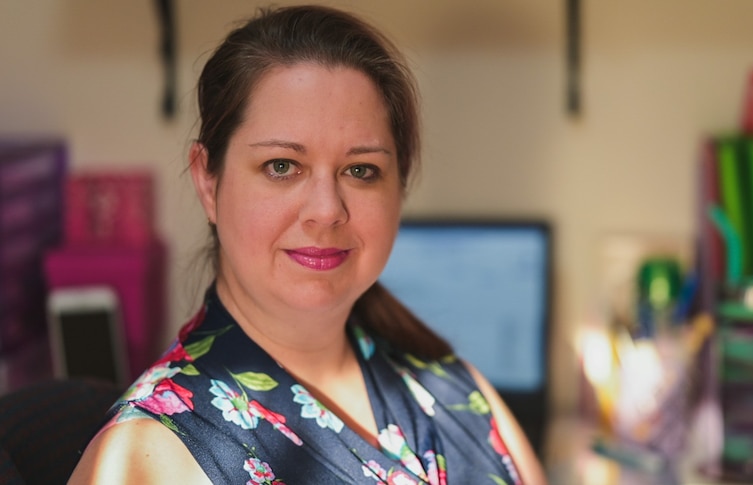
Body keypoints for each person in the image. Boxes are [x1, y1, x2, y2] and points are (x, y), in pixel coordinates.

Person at [69, 5, 547, 484]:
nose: (326, 210)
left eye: (361, 170)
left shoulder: (454, 390)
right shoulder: (148, 454)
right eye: (281, 166)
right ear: (208, 182)